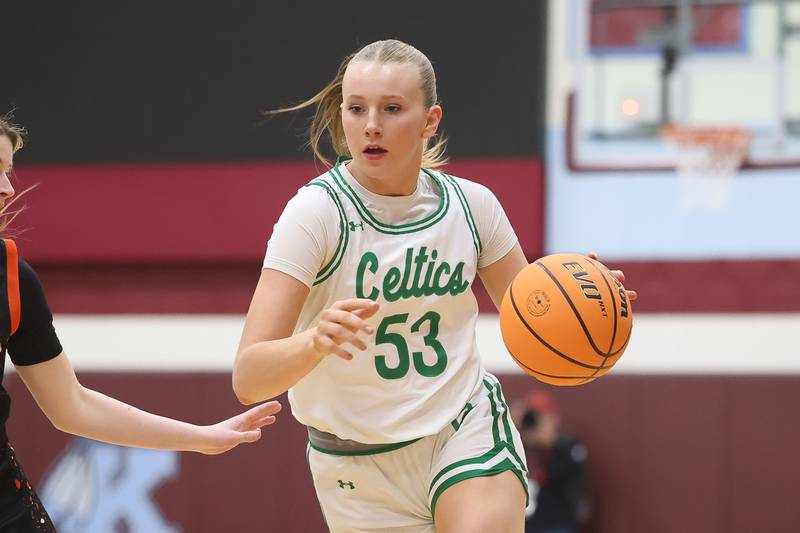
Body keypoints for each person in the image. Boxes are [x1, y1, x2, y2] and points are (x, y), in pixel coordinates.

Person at [233, 39, 636, 533]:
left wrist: (582, 301)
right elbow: (249, 378)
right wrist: (312, 342)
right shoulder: (317, 214)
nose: (372, 124)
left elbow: (535, 317)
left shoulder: (473, 206)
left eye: (392, 108)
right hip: (356, 464)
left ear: (430, 120)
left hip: (461, 427)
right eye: (356, 108)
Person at [0, 116, 282, 532]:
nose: (8, 189)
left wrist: (202, 438)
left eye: (7, 172)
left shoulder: (13, 278)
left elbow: (72, 405)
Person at [515, 392, 592, 533]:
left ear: (552, 419)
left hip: (558, 523)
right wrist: (513, 428)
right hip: (527, 524)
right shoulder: (520, 444)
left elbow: (566, 475)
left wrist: (549, 443)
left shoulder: (568, 446)